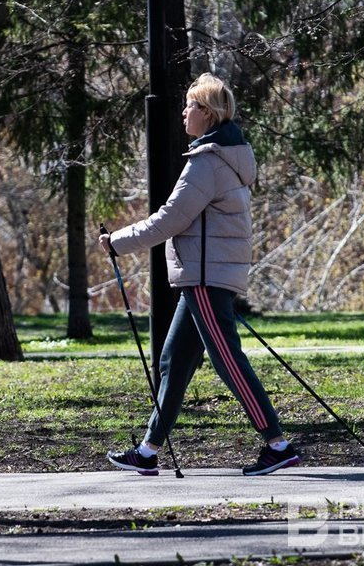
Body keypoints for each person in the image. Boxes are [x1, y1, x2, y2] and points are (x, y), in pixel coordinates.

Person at [99, 73, 299, 477]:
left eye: (190, 106)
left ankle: (277, 444)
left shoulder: (206, 164)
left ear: (206, 113)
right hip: (202, 277)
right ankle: (149, 450)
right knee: (174, 361)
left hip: (205, 278)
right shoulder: (225, 157)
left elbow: (168, 220)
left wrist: (116, 242)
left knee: (228, 360)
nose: (183, 113)